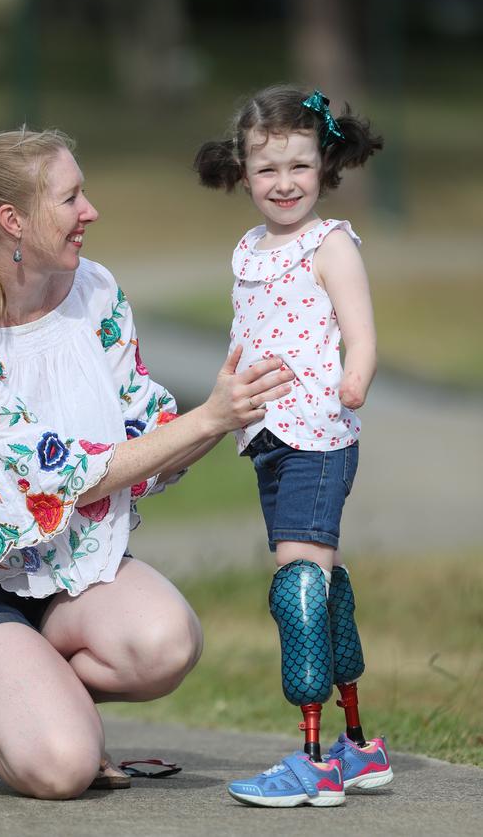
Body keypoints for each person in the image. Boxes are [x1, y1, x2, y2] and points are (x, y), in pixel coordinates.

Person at [0, 128, 295, 800]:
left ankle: (0, 687)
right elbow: (50, 478)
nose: (90, 210)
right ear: (14, 221)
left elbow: (143, 433)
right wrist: (210, 416)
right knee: (63, 766)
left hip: (66, 564)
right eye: (71, 198)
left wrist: (245, 399)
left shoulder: (94, 290)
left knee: (166, 643)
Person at [194, 85, 393, 808]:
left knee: (298, 587)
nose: (283, 183)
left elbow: (359, 326)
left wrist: (356, 376)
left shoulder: (330, 241)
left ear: (325, 166)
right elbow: (246, 335)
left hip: (319, 435)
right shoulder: (248, 247)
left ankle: (314, 760)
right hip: (270, 439)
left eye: (299, 167)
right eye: (267, 167)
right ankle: (359, 745)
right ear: (243, 170)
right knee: (326, 587)